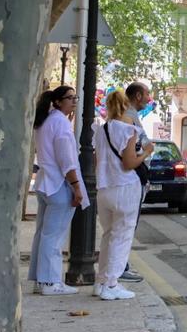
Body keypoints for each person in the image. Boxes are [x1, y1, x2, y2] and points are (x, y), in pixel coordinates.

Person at [93, 90, 153, 300]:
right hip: (125, 188)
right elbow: (129, 164)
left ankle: (101, 281)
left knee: (108, 235)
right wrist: (145, 153)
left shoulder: (101, 130)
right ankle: (111, 284)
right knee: (122, 236)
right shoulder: (129, 129)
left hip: (104, 188)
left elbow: (96, 160)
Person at [29, 86, 88, 295]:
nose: (74, 101)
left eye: (75, 97)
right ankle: (50, 282)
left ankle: (41, 280)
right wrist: (76, 188)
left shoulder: (44, 121)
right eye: (69, 98)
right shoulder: (61, 124)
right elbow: (67, 161)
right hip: (59, 185)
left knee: (43, 234)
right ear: (58, 102)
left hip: (46, 184)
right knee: (54, 236)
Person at [121, 81, 152, 284]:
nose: (149, 98)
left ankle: (120, 266)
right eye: (147, 94)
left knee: (121, 229)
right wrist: (148, 151)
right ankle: (120, 267)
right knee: (125, 228)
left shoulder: (129, 117)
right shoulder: (129, 120)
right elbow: (137, 151)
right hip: (131, 179)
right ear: (138, 96)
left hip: (125, 180)